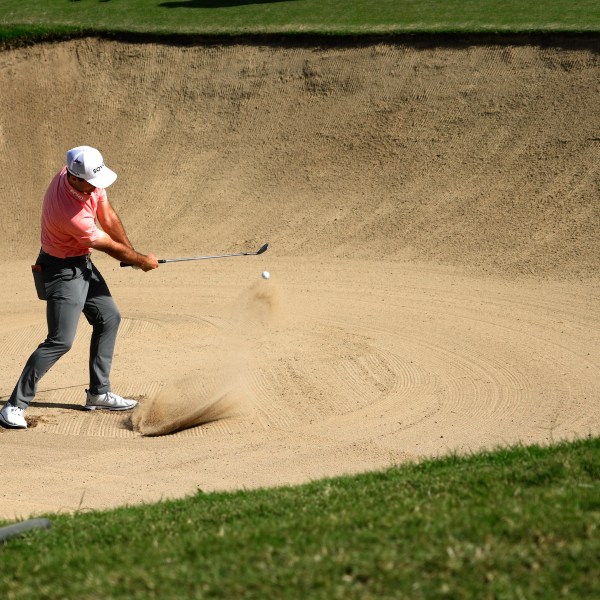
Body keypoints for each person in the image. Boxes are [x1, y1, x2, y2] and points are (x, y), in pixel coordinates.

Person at [0, 146, 159, 430]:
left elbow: (107, 215)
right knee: (60, 340)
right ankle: (14, 405)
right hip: (60, 270)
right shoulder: (70, 213)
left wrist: (132, 252)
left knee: (109, 317)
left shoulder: (82, 177)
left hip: (82, 264)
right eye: (91, 183)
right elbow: (107, 245)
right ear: (74, 179)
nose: (96, 187)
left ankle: (99, 393)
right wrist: (139, 261)